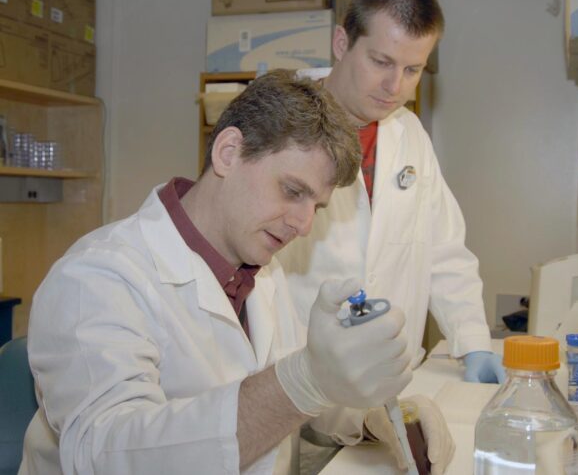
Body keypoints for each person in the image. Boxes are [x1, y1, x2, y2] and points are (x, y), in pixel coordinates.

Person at [18, 70, 416, 475]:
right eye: (293, 191)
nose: (304, 224)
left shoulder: (262, 274)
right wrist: (304, 380)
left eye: (317, 206)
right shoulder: (95, 278)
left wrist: (366, 418)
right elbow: (107, 456)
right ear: (228, 153)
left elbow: (299, 400)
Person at [276, 0, 504, 468]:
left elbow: (443, 249)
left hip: (394, 391)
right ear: (342, 43)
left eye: (412, 69)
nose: (394, 86)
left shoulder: (409, 135)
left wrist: (474, 341)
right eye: (380, 61)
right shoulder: (282, 129)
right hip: (302, 407)